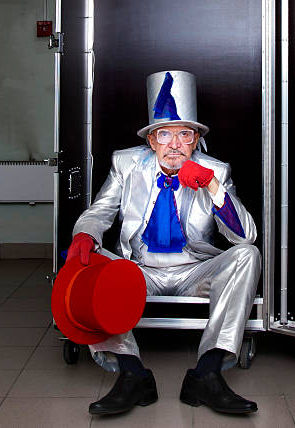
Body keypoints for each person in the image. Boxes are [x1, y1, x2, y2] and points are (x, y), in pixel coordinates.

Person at [65, 70, 261, 416]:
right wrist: (85, 234)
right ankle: (132, 373)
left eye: (185, 134)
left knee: (248, 254)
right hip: (138, 272)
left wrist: (213, 188)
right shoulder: (126, 164)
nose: (174, 144)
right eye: (164, 134)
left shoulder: (215, 169)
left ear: (196, 139)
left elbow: (245, 236)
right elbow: (100, 212)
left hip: (194, 271)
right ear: (152, 141)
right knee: (91, 263)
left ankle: (207, 373)